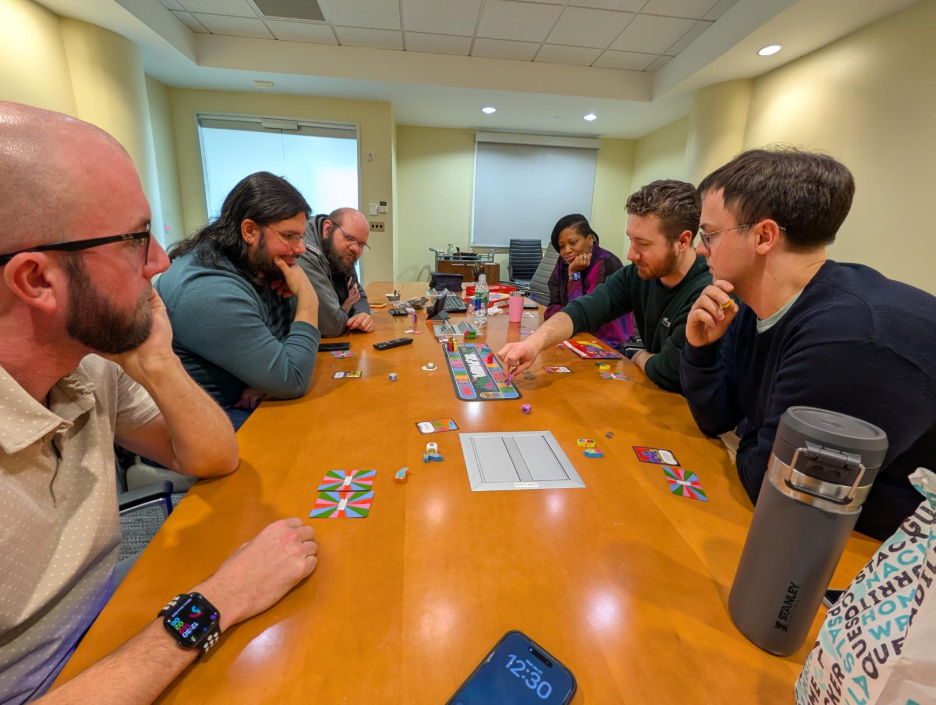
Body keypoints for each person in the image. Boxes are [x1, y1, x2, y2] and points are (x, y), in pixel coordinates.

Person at [0, 102, 319, 704]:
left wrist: (157, 361)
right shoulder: (196, 289)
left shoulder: (91, 362)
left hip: (105, 615)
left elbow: (214, 457)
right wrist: (215, 603)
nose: (161, 262)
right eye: (133, 240)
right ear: (37, 279)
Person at [681, 148, 936, 540]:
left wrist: (754, 432)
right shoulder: (751, 308)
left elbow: (772, 488)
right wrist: (700, 350)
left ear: (764, 236)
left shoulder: (849, 338)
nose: (701, 249)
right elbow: (716, 418)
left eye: (710, 234)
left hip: (894, 555)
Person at [499, 180, 710, 393]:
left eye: (643, 244)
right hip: (653, 392)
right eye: (630, 240)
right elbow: (583, 310)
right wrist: (533, 343)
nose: (630, 255)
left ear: (683, 241)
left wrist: (638, 355)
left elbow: (669, 372)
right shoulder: (636, 274)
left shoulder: (705, 291)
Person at [156, 172, 321, 430]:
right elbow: (293, 378)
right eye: (289, 236)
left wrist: (264, 377)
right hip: (203, 424)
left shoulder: (257, 264)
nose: (300, 248)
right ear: (249, 231)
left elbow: (288, 350)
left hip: (240, 405)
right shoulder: (208, 290)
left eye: (301, 237)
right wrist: (308, 299)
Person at [544, 214, 632, 348]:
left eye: (573, 243)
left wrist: (574, 275)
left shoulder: (607, 264)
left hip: (605, 344)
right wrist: (566, 317)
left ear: (590, 240)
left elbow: (586, 317)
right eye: (561, 246)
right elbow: (551, 309)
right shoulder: (565, 262)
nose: (566, 251)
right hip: (571, 336)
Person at [297, 207, 374, 336]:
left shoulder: (340, 253)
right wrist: (346, 307)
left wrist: (361, 315)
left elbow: (358, 294)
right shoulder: (304, 251)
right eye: (349, 238)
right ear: (327, 229)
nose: (355, 249)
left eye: (361, 244)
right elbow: (332, 326)